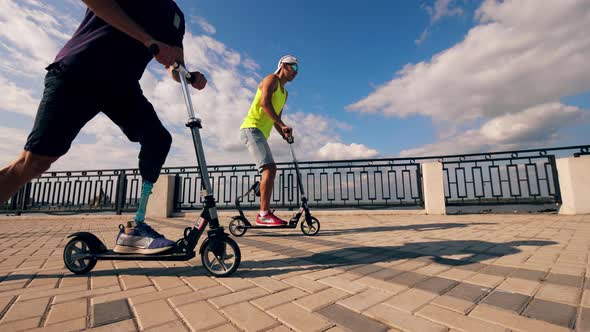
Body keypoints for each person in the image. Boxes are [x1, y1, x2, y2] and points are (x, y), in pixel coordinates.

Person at [0, 0, 207, 254]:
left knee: (158, 139)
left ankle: (136, 228)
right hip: (79, 71)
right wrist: (146, 40)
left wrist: (189, 75)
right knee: (33, 163)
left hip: (121, 88)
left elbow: (174, 66)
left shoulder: (176, 16)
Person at [240, 55, 299, 226]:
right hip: (251, 128)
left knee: (270, 169)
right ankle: (263, 215)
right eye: (293, 67)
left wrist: (284, 133)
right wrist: (282, 124)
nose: (295, 72)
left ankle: (260, 191)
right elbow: (265, 104)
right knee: (270, 168)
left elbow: (276, 119)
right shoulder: (271, 79)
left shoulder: (285, 93)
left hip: (260, 133)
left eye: (297, 69)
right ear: (282, 65)